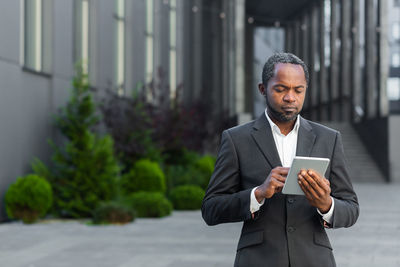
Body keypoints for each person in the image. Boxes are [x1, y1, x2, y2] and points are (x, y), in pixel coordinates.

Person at [201, 52, 359, 267]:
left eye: (298, 90)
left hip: (314, 259)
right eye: (281, 89)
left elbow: (351, 208)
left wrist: (326, 205)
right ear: (263, 89)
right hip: (257, 260)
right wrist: (257, 194)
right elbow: (211, 209)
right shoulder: (236, 139)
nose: (290, 98)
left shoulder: (328, 139)